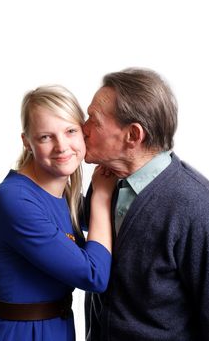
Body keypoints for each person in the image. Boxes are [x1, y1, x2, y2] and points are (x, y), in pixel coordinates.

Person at [0, 85, 117, 341]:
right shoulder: (15, 200)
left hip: (56, 329)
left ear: (84, 133)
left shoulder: (62, 193)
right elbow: (94, 275)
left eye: (71, 131)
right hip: (20, 334)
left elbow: (110, 224)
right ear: (27, 142)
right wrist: (102, 196)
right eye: (45, 137)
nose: (61, 146)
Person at [83, 68, 209, 341]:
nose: (82, 129)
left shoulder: (197, 205)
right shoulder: (104, 182)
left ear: (133, 135)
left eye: (93, 120)